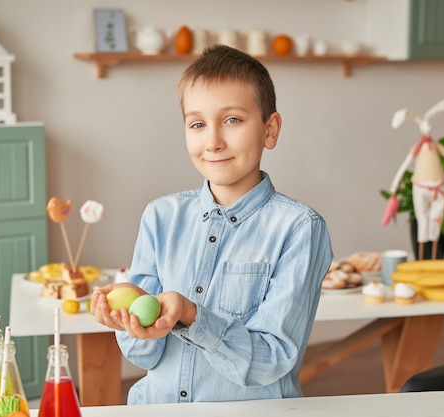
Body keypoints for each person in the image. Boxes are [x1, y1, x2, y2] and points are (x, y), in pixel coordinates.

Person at [90, 44, 333, 404]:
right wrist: (131, 326)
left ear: (270, 129)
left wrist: (191, 316)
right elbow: (144, 355)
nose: (213, 141)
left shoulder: (299, 229)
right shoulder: (160, 217)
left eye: (232, 120)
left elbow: (272, 359)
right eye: (198, 124)